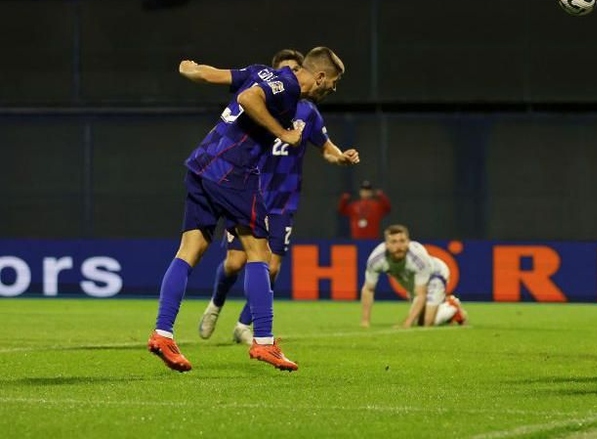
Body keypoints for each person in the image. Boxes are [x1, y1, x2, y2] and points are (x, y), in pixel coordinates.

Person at [146, 46, 344, 372]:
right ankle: (263, 342)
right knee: (259, 253)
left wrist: (191, 69)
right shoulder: (288, 87)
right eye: (333, 82)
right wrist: (282, 132)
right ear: (320, 76)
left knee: (190, 249)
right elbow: (248, 99)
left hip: (202, 163)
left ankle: (162, 333)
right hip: (233, 171)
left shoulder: (259, 70)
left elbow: (211, 74)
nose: (332, 89)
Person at [196, 49, 360, 345]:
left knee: (270, 266)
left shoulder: (307, 112)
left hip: (282, 199)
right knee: (234, 263)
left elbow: (326, 147)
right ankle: (216, 304)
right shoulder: (263, 99)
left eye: (295, 69)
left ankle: (245, 325)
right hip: (249, 188)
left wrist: (341, 157)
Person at [360, 224, 467, 329]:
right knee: (420, 321)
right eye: (393, 242)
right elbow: (368, 289)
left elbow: (421, 295)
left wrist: (406, 324)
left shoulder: (418, 259)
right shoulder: (376, 259)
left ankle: (452, 308)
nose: (399, 246)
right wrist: (365, 321)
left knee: (427, 323)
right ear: (386, 244)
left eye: (402, 241)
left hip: (434, 275)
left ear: (408, 242)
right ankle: (443, 307)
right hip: (412, 280)